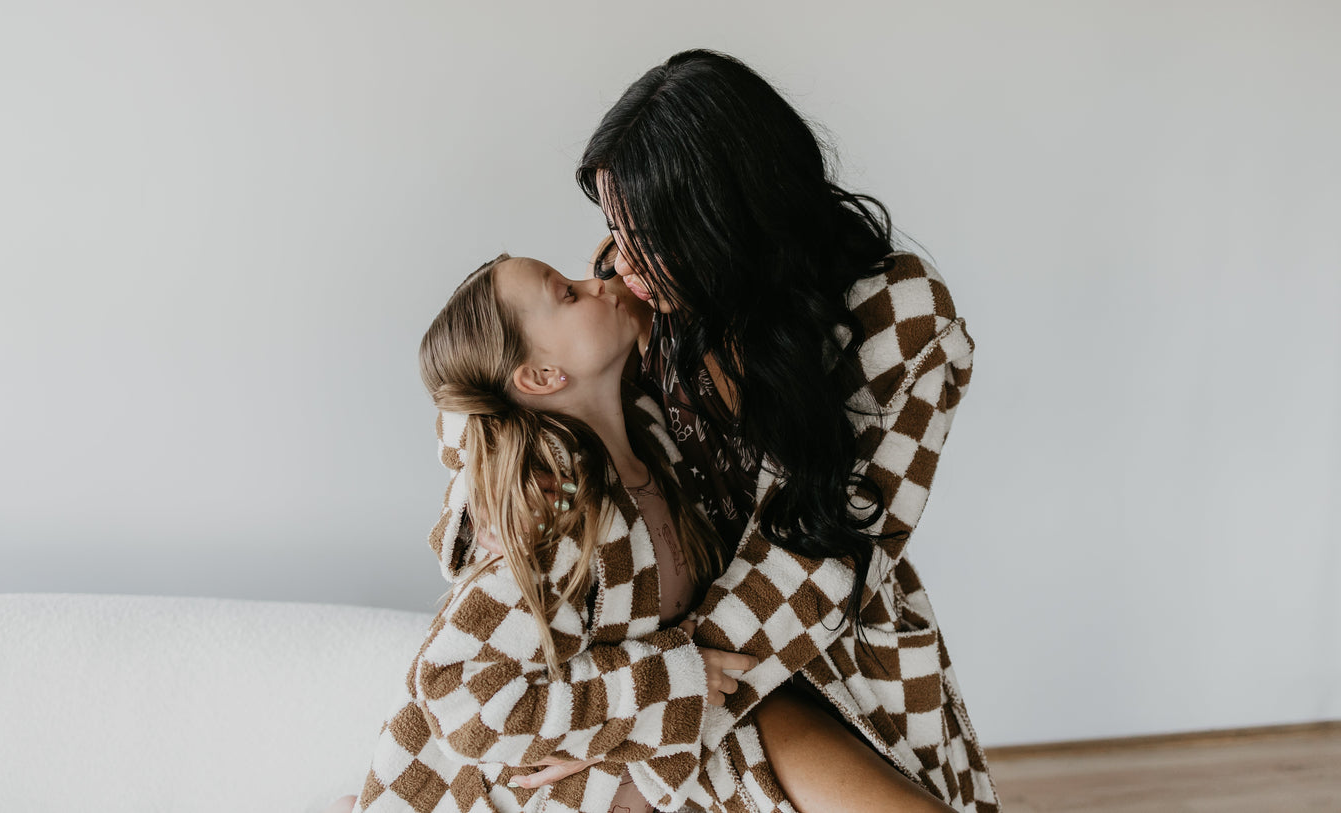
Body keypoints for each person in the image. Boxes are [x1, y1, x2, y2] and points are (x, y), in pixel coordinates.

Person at [523, 48, 1001, 812]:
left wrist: (655, 703)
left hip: (827, 651)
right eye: (612, 221)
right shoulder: (634, 294)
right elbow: (495, 401)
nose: (618, 257)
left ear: (727, 215)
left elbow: (824, 557)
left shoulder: (901, 317)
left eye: (646, 229)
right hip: (669, 643)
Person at [343, 254, 759, 813]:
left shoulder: (651, 439)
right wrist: (668, 680)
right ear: (541, 377)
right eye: (567, 292)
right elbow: (455, 695)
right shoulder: (554, 518)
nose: (600, 282)